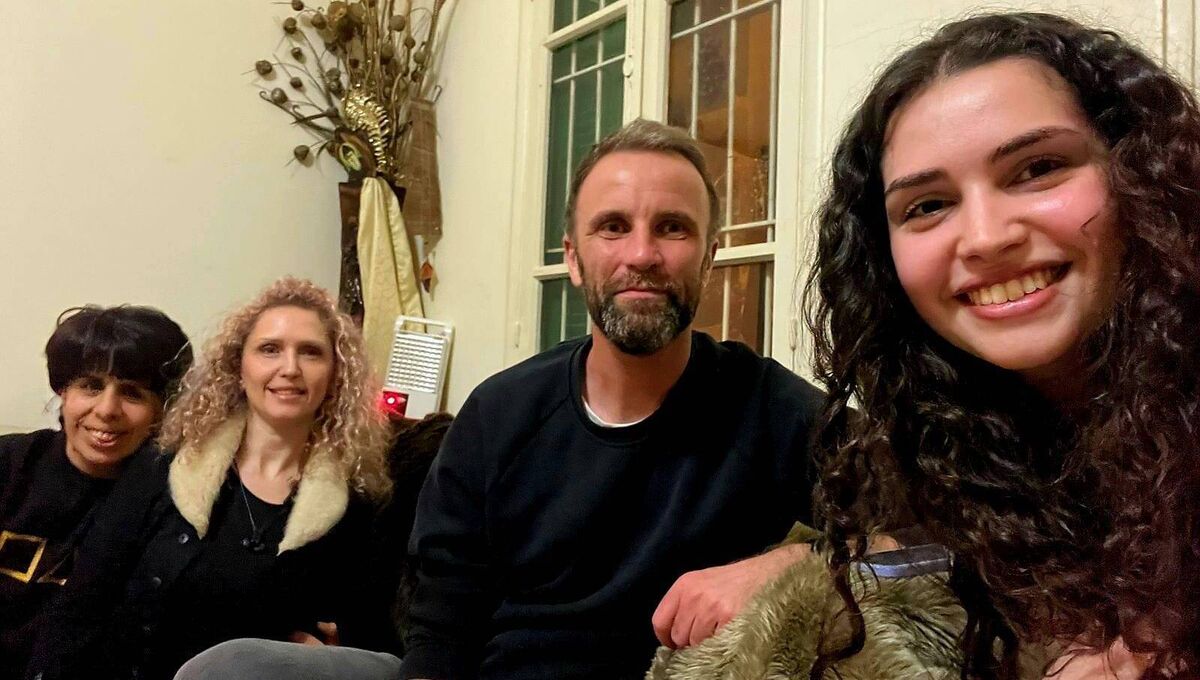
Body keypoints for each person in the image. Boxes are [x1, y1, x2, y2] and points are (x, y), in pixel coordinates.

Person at [804, 11, 1199, 679]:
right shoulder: (950, 432)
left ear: (1140, 171)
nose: (985, 238)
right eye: (927, 205)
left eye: (1037, 168)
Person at [399, 118, 823, 679]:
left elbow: (938, 532)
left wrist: (783, 566)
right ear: (573, 258)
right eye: (614, 227)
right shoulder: (497, 416)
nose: (642, 253)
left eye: (672, 227)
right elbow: (438, 633)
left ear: (709, 258)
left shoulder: (769, 407)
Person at [26, 278, 396, 680]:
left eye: (310, 353)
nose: (289, 369)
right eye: (270, 349)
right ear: (239, 367)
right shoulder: (164, 465)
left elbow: (371, 647)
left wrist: (321, 660)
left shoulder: (357, 504)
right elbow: (81, 606)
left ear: (336, 374)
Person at [0, 305, 191, 678]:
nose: (107, 410)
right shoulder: (10, 463)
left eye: (132, 393)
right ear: (63, 391)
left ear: (162, 409)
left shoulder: (175, 500)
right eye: (91, 386)